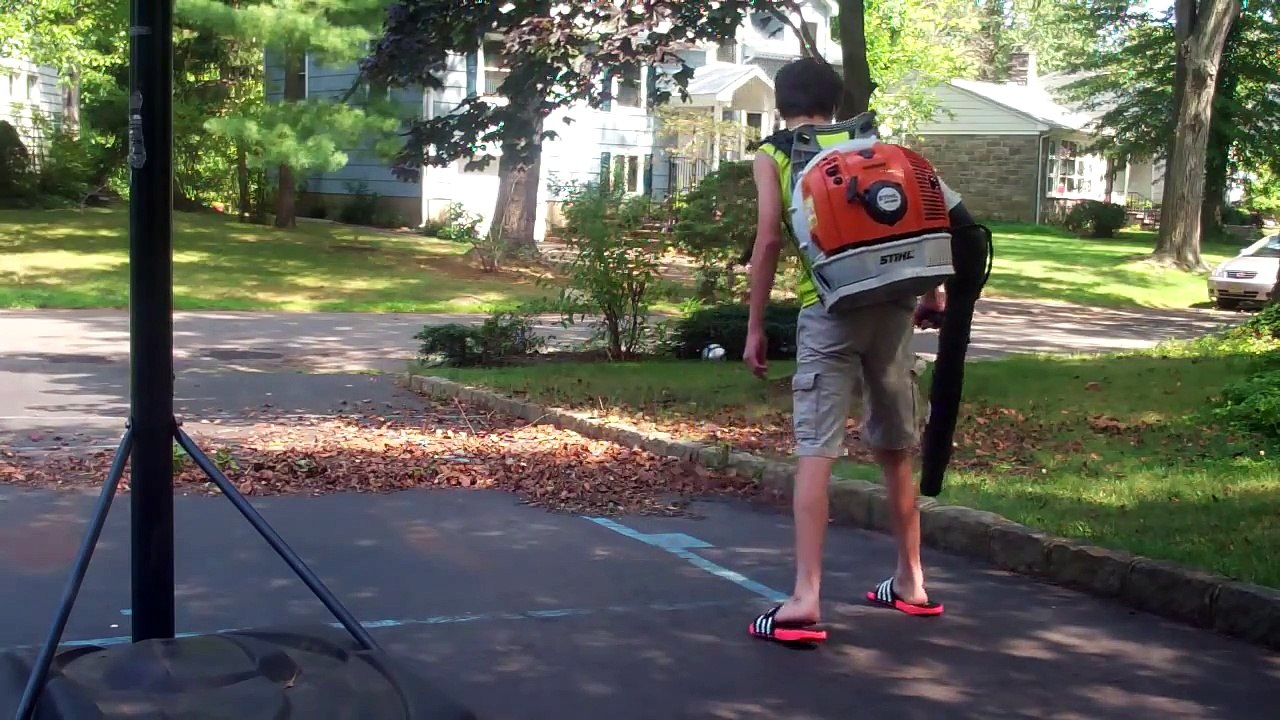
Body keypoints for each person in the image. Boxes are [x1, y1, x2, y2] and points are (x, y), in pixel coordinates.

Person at [744, 57, 971, 643]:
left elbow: (770, 238)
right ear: (837, 101)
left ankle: (805, 597)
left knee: (816, 449)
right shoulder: (873, 144)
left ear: (780, 104)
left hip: (829, 310)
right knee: (895, 448)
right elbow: (919, 219)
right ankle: (912, 581)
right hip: (893, 307)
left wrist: (754, 325)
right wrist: (935, 291)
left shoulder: (774, 154)